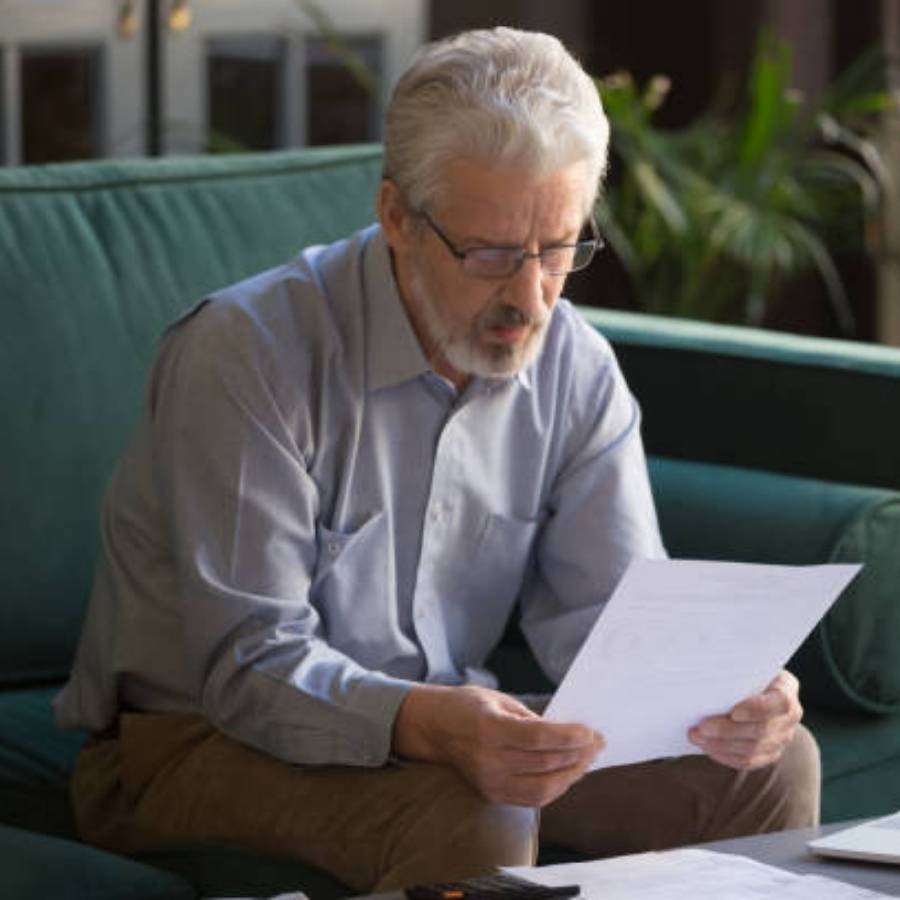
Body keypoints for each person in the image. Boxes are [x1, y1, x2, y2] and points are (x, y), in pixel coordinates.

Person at [55, 26, 819, 894]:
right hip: (189, 741)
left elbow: (615, 625)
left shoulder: (574, 365)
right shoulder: (248, 353)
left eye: (560, 248)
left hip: (444, 725)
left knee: (773, 763)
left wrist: (718, 694)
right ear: (396, 218)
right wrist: (432, 724)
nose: (530, 298)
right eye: (491, 254)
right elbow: (248, 664)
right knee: (474, 807)